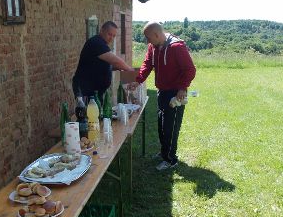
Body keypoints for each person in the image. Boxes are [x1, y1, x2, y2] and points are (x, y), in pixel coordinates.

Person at [133, 21, 196, 170]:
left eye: (149, 38)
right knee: (162, 125)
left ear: (156, 34)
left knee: (171, 127)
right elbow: (147, 64)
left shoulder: (177, 47)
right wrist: (138, 80)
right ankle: (164, 153)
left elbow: (190, 70)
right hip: (162, 92)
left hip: (175, 94)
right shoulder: (153, 47)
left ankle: (171, 160)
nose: (148, 41)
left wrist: (182, 88)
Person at [72, 21, 133, 100]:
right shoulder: (96, 43)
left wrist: (116, 67)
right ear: (101, 30)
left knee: (98, 111)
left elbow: (102, 64)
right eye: (109, 34)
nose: (111, 38)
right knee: (89, 112)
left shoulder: (102, 44)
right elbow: (115, 61)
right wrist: (131, 71)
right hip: (86, 90)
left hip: (95, 91)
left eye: (114, 36)